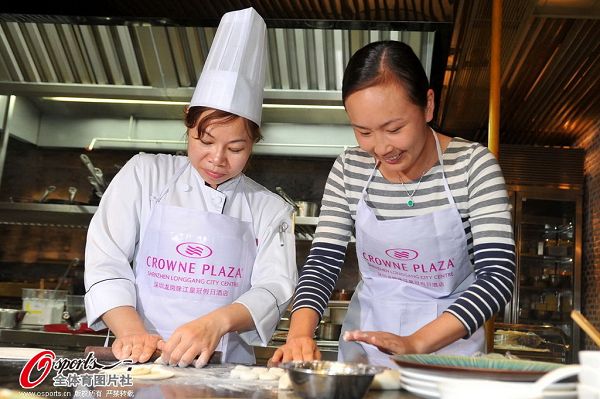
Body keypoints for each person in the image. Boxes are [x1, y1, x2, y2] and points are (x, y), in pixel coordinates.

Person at [270, 41, 515, 368]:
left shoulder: (472, 166)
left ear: (428, 105)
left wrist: (416, 343)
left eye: (394, 128)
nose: (382, 147)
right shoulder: (350, 169)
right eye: (364, 131)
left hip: (447, 355)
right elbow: (324, 261)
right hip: (365, 350)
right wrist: (299, 333)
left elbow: (497, 276)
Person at [84, 7, 297, 367]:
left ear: (254, 143)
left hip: (223, 369)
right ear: (188, 123)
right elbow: (107, 260)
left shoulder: (269, 209)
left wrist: (217, 323)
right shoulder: (144, 175)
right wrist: (131, 331)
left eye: (236, 148)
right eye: (205, 140)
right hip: (135, 358)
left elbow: (274, 289)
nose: (217, 159)